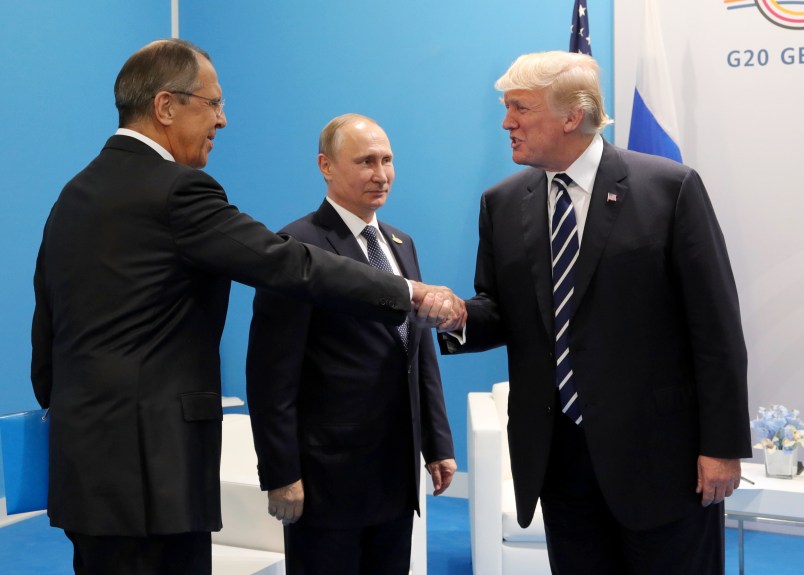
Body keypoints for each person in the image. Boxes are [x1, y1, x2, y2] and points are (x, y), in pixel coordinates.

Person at [30, 39, 462, 575]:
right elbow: (287, 263)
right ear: (166, 107)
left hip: (85, 464)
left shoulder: (73, 194)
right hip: (155, 473)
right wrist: (408, 292)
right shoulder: (178, 192)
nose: (223, 119)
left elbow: (45, 329)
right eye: (213, 104)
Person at [440, 51, 751, 574]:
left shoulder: (669, 189)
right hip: (560, 462)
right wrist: (457, 316)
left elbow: (716, 329)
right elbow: (501, 310)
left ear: (570, 115)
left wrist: (722, 447)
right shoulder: (502, 202)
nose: (506, 122)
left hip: (661, 462)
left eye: (520, 108)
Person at [246, 113, 458, 575]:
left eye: (387, 160)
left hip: (394, 475)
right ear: (326, 165)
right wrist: (281, 473)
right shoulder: (296, 246)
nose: (381, 175)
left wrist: (437, 442)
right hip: (327, 481)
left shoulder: (402, 243)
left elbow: (416, 351)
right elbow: (271, 374)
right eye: (365, 161)